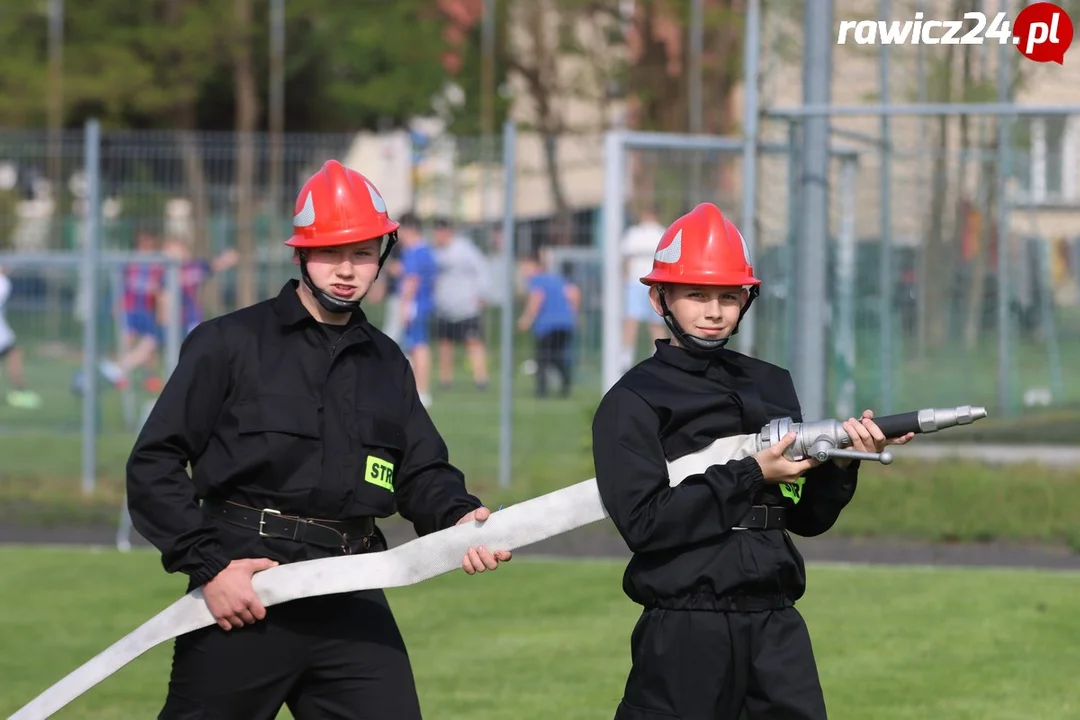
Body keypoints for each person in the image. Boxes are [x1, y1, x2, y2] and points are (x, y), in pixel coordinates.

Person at [126, 160, 512, 720]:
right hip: (246, 593)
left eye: (362, 253)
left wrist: (458, 520)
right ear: (301, 254)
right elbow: (153, 466)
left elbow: (422, 472)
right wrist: (211, 568)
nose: (348, 270)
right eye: (332, 252)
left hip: (352, 589)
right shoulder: (227, 343)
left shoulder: (386, 361)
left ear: (381, 257)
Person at [591, 203, 915, 720]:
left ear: (748, 298)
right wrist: (751, 473)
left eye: (728, 296)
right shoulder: (632, 401)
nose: (714, 311)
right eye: (696, 295)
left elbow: (804, 517)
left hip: (775, 623)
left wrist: (845, 463)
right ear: (659, 298)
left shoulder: (771, 384)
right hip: (684, 628)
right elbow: (645, 523)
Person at [431, 217, 491, 390]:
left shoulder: (464, 249)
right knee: (445, 343)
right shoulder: (436, 253)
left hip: (466, 307)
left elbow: (482, 269)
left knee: (473, 341)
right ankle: (445, 380)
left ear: (446, 232)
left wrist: (482, 294)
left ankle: (481, 379)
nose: (436, 236)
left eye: (439, 233)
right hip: (445, 308)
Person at [517, 247, 580, 398]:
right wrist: (573, 314)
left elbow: (537, 299)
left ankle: (541, 391)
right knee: (557, 357)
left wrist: (526, 319)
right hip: (565, 324)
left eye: (525, 267)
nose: (523, 271)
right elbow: (574, 292)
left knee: (542, 358)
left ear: (536, 266)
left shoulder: (536, 280)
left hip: (547, 326)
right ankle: (566, 385)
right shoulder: (556, 278)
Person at [395, 212, 438, 407]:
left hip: (415, 305)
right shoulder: (427, 251)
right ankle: (415, 389)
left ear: (409, 229)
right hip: (425, 303)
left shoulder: (413, 252)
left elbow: (411, 281)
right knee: (414, 347)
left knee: (419, 347)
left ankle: (422, 390)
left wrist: (404, 306)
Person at [619, 206, 668, 373]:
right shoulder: (635, 233)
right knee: (633, 321)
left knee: (655, 322)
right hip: (638, 282)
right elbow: (625, 260)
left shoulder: (661, 233)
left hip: (653, 282)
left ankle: (659, 357)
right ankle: (625, 359)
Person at [0, 266, 42, 409]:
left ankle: (19, 391)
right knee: (14, 354)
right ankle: (19, 391)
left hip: (2, 335)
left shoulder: (3, 283)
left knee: (14, 354)